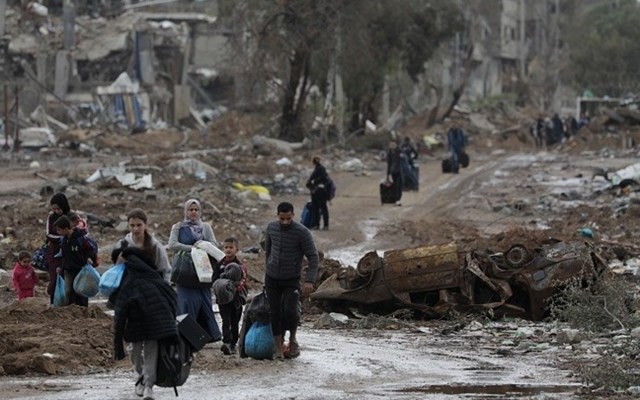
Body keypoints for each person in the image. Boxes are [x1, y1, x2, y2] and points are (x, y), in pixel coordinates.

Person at [111, 244, 178, 400]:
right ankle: (142, 378)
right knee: (136, 351)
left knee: (148, 352)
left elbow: (119, 310)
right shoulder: (144, 277)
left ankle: (148, 385)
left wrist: (117, 342)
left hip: (151, 324)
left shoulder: (137, 279)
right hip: (136, 323)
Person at [263, 202, 320, 359]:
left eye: (288, 218)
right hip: (272, 278)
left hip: (291, 279)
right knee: (274, 313)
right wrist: (266, 273)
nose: (285, 222)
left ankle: (292, 338)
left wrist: (309, 280)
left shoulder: (302, 232)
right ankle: (278, 349)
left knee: (290, 311)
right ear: (277, 215)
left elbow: (313, 258)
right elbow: (268, 252)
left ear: (293, 215)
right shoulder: (271, 228)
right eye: (282, 219)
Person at [168, 199, 222, 342]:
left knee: (204, 302)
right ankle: (187, 336)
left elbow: (214, 244)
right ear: (186, 211)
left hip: (203, 271)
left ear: (200, 212)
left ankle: (208, 335)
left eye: (196, 210)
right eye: (190, 210)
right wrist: (192, 249)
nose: (193, 212)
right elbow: (172, 244)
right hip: (185, 272)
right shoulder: (178, 227)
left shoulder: (205, 227)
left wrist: (203, 245)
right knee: (186, 302)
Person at [214, 237, 248, 355]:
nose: (228, 250)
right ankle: (227, 342)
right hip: (223, 299)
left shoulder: (240, 265)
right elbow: (215, 280)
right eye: (226, 247)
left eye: (231, 247)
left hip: (236, 299)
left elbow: (243, 281)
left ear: (237, 249)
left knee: (235, 320)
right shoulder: (219, 264)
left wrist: (232, 286)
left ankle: (233, 343)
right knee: (225, 320)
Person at [116, 208, 171, 282]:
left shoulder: (155, 246)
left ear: (145, 225)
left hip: (152, 287)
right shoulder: (123, 245)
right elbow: (117, 270)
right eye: (132, 225)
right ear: (128, 225)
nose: (135, 229)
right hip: (128, 288)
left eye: (139, 225)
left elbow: (165, 270)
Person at [53, 215, 97, 307]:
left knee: (81, 290)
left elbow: (89, 249)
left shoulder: (80, 238)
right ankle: (70, 309)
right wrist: (60, 266)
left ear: (66, 229)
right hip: (68, 269)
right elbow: (63, 255)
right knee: (68, 290)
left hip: (80, 269)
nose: (58, 232)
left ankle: (83, 309)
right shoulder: (63, 240)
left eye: (59, 230)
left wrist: (88, 258)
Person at [44, 193, 71, 304]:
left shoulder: (71, 216)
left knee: (68, 278)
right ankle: (54, 302)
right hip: (54, 252)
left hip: (69, 253)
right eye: (54, 209)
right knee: (54, 279)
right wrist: (62, 237)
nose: (56, 211)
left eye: (58, 208)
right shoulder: (51, 217)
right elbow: (48, 234)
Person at [305, 156, 330, 230]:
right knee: (316, 208)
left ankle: (323, 225)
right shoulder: (318, 169)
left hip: (320, 192)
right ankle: (318, 225)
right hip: (316, 192)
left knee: (321, 208)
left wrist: (313, 182)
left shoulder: (320, 169)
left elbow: (323, 179)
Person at [386, 141, 404, 206]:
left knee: (397, 185)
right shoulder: (394, 152)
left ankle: (397, 199)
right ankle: (397, 199)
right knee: (398, 185)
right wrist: (388, 174)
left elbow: (389, 164)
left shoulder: (397, 152)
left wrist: (388, 174)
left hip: (396, 171)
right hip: (397, 171)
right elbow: (389, 163)